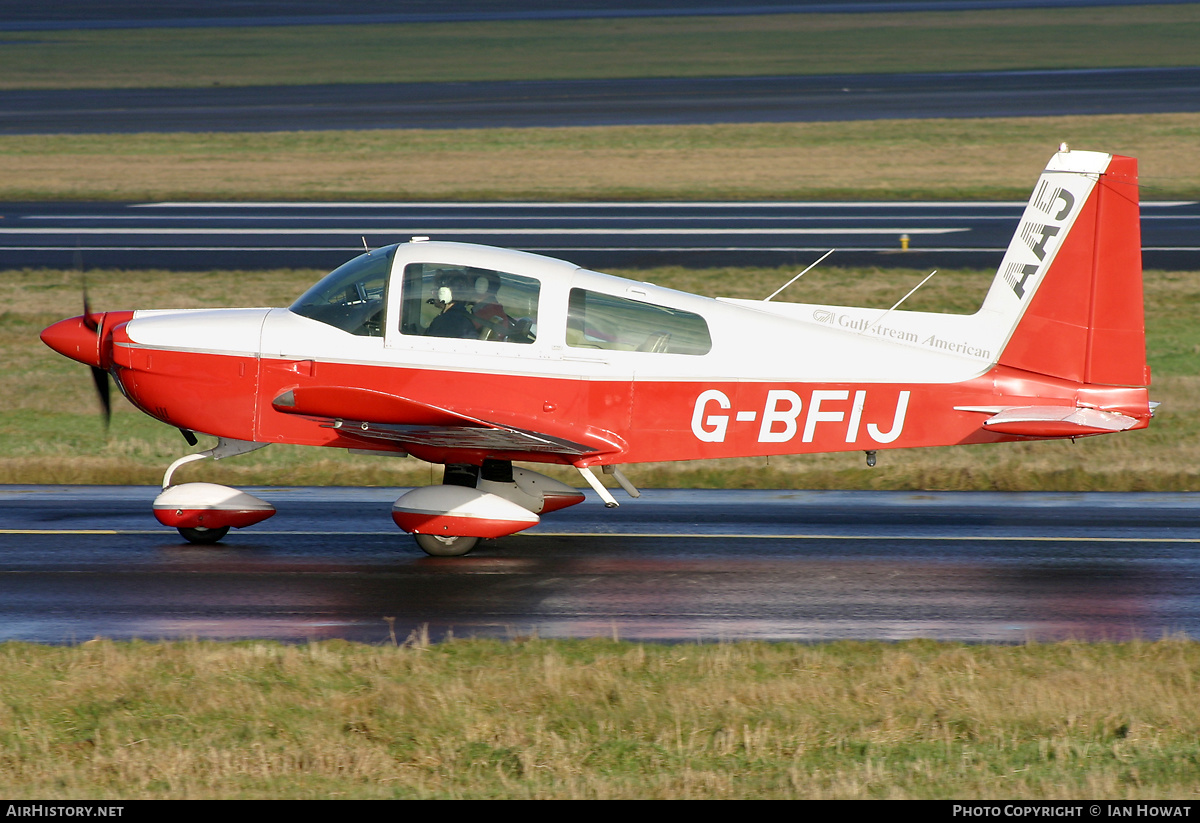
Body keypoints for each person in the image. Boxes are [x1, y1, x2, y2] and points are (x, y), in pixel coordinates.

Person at [425, 274, 480, 339]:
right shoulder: (462, 317)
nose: (433, 293)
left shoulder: (445, 321)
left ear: (444, 293)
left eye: (436, 290)